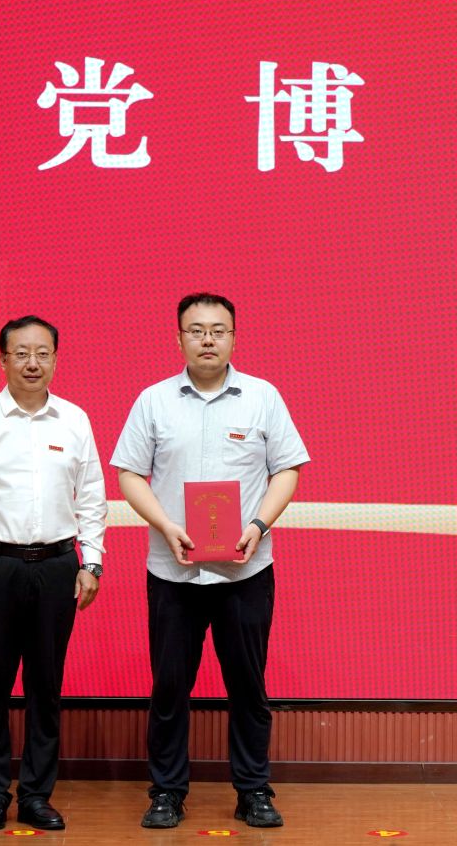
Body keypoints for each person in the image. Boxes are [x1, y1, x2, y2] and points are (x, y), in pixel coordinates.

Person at [112, 293, 309, 831]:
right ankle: (166, 792)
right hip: (172, 570)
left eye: (218, 330)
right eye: (196, 330)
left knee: (248, 686)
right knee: (170, 688)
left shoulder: (263, 397)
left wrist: (258, 525)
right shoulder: (153, 401)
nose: (207, 340)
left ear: (233, 338)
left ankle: (253, 790)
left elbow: (288, 468)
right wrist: (165, 525)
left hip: (245, 570)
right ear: (178, 338)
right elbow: (129, 472)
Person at [0, 315, 107, 832]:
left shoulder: (74, 420)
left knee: (46, 686)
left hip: (57, 566)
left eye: (42, 353)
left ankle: (36, 795)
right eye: (21, 353)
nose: (32, 363)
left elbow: (92, 498)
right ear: (3, 360)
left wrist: (92, 561)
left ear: (55, 358)